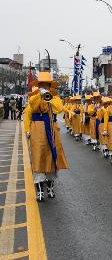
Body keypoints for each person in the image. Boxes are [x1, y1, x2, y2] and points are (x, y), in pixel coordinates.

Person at [25, 72, 68, 201]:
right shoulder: (33, 97)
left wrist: (48, 97)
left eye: (47, 85)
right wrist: (40, 94)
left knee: (52, 155)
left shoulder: (55, 97)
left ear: (50, 86)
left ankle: (50, 187)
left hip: (51, 127)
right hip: (38, 128)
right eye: (42, 85)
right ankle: (39, 191)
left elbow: (59, 109)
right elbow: (32, 107)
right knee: (38, 155)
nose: (45, 87)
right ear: (39, 86)